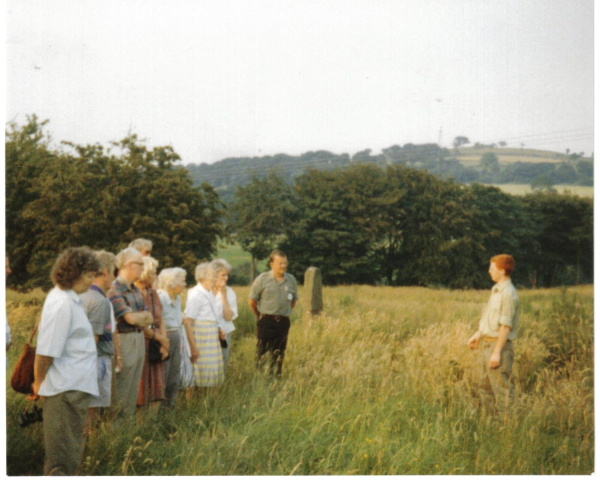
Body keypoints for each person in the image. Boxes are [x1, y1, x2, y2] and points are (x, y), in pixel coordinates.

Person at [29, 247, 100, 475]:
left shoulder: (70, 300)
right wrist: (38, 383)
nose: (92, 281)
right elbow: (46, 352)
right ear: (74, 273)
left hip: (73, 388)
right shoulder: (62, 303)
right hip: (64, 390)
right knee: (62, 458)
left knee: (70, 452)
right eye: (89, 275)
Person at [467, 254, 519, 414]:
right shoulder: (496, 291)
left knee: (502, 392)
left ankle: (508, 430)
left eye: (492, 268)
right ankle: (492, 428)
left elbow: (505, 327)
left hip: (498, 347)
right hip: (487, 345)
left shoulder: (508, 294)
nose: (489, 271)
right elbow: (490, 319)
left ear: (502, 271)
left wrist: (496, 353)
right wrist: (478, 334)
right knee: (486, 390)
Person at [108, 248, 154, 423]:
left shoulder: (135, 290)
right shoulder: (115, 289)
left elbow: (148, 317)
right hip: (124, 340)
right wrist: (139, 318)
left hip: (138, 338)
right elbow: (130, 318)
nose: (143, 267)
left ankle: (126, 429)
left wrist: (139, 318)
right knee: (122, 387)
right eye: (140, 264)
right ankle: (114, 430)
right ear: (128, 265)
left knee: (133, 387)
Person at [80, 250, 122, 436]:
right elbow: (92, 340)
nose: (114, 277)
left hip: (86, 362)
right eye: (113, 272)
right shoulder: (99, 301)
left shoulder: (81, 295)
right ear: (105, 271)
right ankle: (84, 452)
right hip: (94, 362)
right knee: (88, 416)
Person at [249, 249, 298, 376]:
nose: (283, 266)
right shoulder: (262, 279)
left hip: (283, 322)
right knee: (262, 351)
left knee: (279, 352)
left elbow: (293, 301)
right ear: (272, 264)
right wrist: (260, 316)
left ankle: (275, 377)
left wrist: (283, 313)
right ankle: (259, 378)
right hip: (266, 321)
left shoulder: (291, 280)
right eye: (280, 263)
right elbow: (252, 302)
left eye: (285, 263)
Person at [134, 256, 169, 414]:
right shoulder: (133, 294)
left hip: (156, 344)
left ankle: (152, 424)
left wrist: (164, 343)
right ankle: (139, 426)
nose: (156, 276)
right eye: (154, 272)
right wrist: (161, 338)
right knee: (141, 387)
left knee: (157, 385)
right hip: (141, 342)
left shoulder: (153, 293)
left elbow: (161, 319)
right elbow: (140, 325)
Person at [183, 263, 225, 388]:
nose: (215, 280)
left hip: (210, 340)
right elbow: (187, 322)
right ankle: (193, 404)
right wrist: (193, 348)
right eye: (213, 276)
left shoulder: (209, 293)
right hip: (201, 340)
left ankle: (208, 404)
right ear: (202, 278)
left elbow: (209, 316)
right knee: (198, 374)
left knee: (210, 376)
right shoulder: (195, 295)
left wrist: (218, 329)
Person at [157, 267, 186, 411]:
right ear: (172, 282)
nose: (185, 284)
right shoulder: (160, 297)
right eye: (182, 280)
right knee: (164, 375)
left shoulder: (178, 298)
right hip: (165, 339)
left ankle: (170, 408)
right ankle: (159, 410)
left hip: (176, 337)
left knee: (174, 377)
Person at [210, 259, 237, 371]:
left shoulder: (229, 292)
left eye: (227, 275)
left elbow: (228, 317)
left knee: (222, 363)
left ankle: (220, 387)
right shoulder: (203, 290)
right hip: (206, 332)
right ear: (214, 275)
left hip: (224, 334)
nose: (226, 278)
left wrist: (224, 295)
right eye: (223, 275)